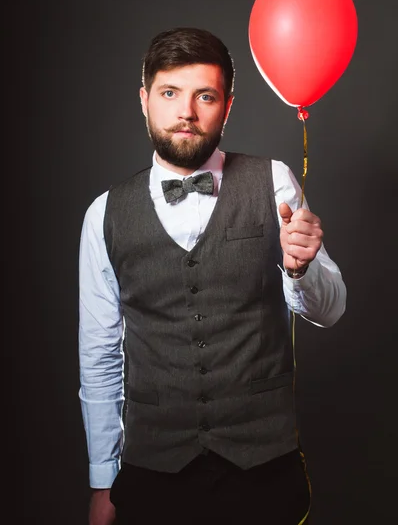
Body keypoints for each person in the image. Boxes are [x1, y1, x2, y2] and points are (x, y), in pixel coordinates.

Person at [78, 27, 346, 525]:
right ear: (144, 100)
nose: (186, 112)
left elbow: (331, 309)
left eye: (205, 95)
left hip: (264, 471)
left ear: (227, 105)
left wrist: (301, 270)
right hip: (152, 471)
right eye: (169, 93)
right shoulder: (104, 215)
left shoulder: (275, 181)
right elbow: (99, 358)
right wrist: (101, 480)